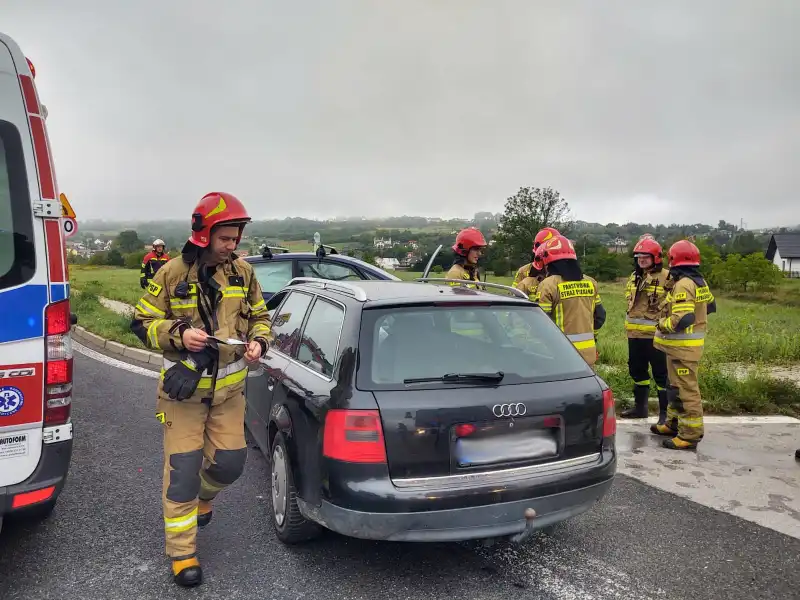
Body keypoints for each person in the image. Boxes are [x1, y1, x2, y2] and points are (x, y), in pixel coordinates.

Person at [130, 192, 272, 587]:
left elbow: (261, 317)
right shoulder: (172, 273)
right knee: (182, 475)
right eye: (226, 238)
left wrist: (260, 341)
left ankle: (204, 500)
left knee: (230, 464)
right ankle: (182, 552)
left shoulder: (243, 273)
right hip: (183, 396)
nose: (233, 245)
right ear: (204, 234)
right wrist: (178, 335)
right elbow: (142, 322)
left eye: (236, 238)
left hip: (230, 393)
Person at [651, 240, 716, 450]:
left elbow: (684, 318)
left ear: (673, 260)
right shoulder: (699, 281)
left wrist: (662, 324)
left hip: (683, 349)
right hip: (681, 348)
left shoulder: (684, 284)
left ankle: (690, 435)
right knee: (675, 387)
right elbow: (711, 306)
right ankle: (673, 424)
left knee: (687, 390)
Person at [534, 235, 606, 368]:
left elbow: (540, 323)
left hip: (560, 354)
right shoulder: (591, 282)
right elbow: (600, 316)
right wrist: (592, 338)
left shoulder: (548, 285)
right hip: (588, 353)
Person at [621, 237, 670, 422]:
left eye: (645, 256)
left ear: (655, 258)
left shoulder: (667, 276)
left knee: (661, 374)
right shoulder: (634, 276)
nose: (641, 259)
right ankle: (640, 408)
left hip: (657, 336)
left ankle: (665, 414)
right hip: (634, 335)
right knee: (637, 371)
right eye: (639, 256)